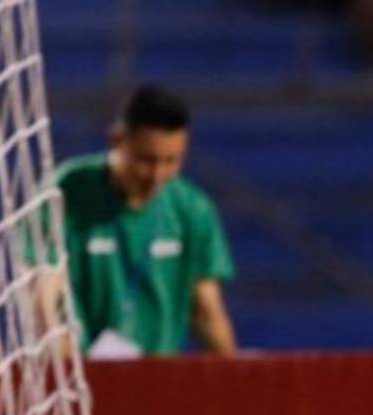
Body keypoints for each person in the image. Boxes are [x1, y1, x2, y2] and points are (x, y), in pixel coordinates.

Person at [50, 83, 237, 356]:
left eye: (171, 161)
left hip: (157, 378)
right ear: (116, 140)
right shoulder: (67, 191)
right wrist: (67, 373)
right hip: (79, 374)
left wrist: (234, 380)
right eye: (146, 160)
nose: (157, 175)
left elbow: (207, 309)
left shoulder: (193, 209)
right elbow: (45, 295)